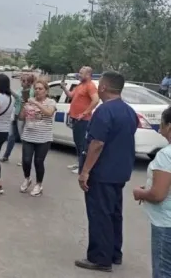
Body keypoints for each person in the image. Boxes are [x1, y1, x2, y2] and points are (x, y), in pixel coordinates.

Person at [75, 71, 138, 272]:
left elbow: (97, 143)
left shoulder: (104, 111)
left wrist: (85, 171)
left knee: (99, 213)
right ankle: (113, 252)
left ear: (103, 87)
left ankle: (100, 258)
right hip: (120, 171)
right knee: (114, 213)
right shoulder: (129, 111)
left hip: (103, 172)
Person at [133, 106, 171, 278]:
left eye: (160, 124)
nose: (159, 128)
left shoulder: (166, 155)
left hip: (166, 223)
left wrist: (141, 193)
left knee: (163, 271)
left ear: (168, 126)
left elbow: (158, 195)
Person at [18, 78, 56, 197]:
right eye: (36, 89)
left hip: (43, 137)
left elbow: (49, 113)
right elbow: (21, 118)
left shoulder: (51, 102)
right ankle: (27, 178)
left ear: (46, 90)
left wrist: (36, 103)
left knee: (39, 162)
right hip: (28, 135)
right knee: (26, 160)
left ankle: (39, 184)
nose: (38, 91)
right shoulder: (30, 101)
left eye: (41, 89)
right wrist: (24, 107)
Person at [61, 66, 100, 174]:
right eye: (79, 73)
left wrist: (84, 113)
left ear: (88, 75)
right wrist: (64, 88)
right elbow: (70, 95)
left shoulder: (90, 86)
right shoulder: (80, 85)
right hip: (75, 118)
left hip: (83, 120)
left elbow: (96, 100)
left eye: (81, 73)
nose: (79, 75)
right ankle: (79, 162)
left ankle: (82, 166)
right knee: (78, 142)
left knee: (82, 143)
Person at [1, 73, 35, 163]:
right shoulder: (21, 89)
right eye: (22, 80)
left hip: (22, 116)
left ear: (29, 83)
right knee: (11, 136)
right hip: (15, 114)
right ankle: (6, 155)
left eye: (24, 81)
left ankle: (25, 158)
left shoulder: (30, 91)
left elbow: (22, 100)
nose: (22, 82)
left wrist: (11, 91)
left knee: (23, 138)